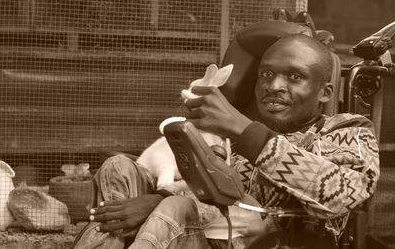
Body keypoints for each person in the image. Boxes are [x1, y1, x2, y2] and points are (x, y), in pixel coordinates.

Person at [73, 33, 380, 249]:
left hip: (270, 242)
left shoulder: (349, 130)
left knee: (176, 209)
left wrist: (244, 131)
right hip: (206, 233)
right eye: (266, 74)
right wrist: (154, 199)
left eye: (294, 77)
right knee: (118, 167)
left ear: (325, 93)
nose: (273, 86)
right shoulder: (238, 141)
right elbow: (217, 201)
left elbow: (344, 194)